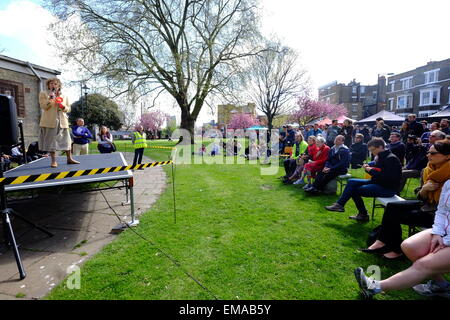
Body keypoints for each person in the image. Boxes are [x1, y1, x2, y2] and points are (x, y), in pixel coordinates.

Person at [354, 160, 450, 300]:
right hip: (442, 230)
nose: (429, 156)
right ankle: (442, 285)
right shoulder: (448, 183)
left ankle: (374, 287)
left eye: (433, 153)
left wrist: (445, 241)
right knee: (409, 246)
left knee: (424, 263)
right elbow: (442, 211)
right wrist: (437, 233)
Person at [359, 140, 450, 260]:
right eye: (428, 152)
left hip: (441, 214)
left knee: (397, 215)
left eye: (433, 153)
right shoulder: (427, 170)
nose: (428, 155)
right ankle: (382, 241)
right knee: (392, 206)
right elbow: (419, 195)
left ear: (447, 156)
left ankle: (395, 249)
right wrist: (424, 190)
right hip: (426, 203)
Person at [325, 138, 402, 222]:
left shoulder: (391, 158)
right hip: (378, 182)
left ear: (380, 147)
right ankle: (340, 205)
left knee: (354, 190)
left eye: (373, 150)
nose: (372, 153)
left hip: (387, 188)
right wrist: (368, 165)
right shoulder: (383, 156)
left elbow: (386, 178)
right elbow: (376, 165)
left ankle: (362, 214)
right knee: (351, 182)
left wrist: (370, 170)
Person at [38, 78, 79, 168]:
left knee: (67, 141)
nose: (53, 85)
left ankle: (69, 158)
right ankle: (53, 161)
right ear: (48, 85)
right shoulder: (43, 94)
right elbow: (43, 106)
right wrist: (50, 99)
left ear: (59, 85)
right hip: (50, 121)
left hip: (62, 121)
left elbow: (68, 109)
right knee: (51, 141)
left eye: (55, 84)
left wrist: (62, 106)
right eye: (51, 83)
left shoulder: (64, 96)